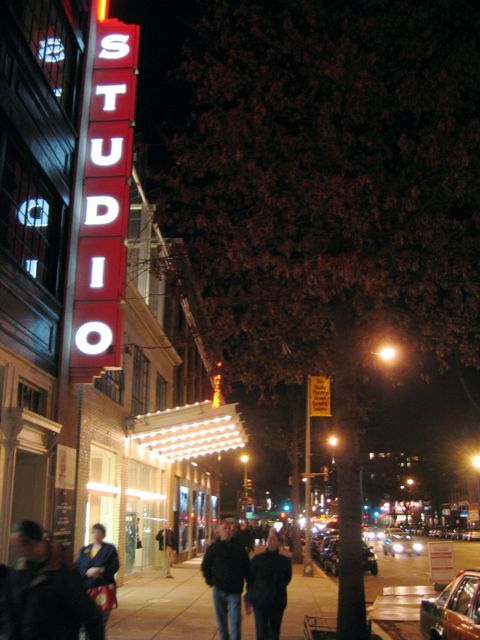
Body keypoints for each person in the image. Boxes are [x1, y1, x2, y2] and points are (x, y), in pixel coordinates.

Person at [3, 520, 103, 640]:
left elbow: (91, 617)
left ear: (32, 543)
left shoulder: (63, 574)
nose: (15, 550)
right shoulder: (18, 571)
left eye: (17, 546)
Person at [201, 517, 250, 640]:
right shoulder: (214, 548)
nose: (228, 531)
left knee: (235, 622)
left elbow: (247, 568)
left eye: (230, 529)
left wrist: (248, 586)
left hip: (234, 590)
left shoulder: (239, 549)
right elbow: (205, 566)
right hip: (219, 589)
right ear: (219, 531)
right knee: (221, 623)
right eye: (225, 528)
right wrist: (211, 581)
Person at [246, 529, 292, 640]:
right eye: (269, 538)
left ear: (279, 543)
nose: (270, 540)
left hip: (277, 601)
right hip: (260, 601)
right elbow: (250, 578)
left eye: (273, 538)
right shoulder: (258, 559)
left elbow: (287, 578)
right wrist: (251, 595)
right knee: (261, 632)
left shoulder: (284, 561)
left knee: (274, 632)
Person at [75, 523, 119, 636]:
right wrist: (86, 572)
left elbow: (114, 566)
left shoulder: (109, 549)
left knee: (100, 621)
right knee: (84, 621)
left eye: (98, 532)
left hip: (103, 590)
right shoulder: (85, 550)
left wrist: (100, 570)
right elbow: (78, 566)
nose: (96, 535)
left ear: (103, 535)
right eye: (94, 532)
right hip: (87, 589)